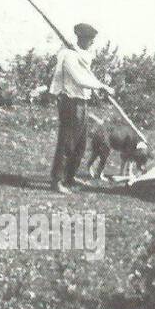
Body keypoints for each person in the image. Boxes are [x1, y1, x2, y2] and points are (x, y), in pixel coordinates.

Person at [49, 22, 113, 194]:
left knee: (81, 144)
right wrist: (100, 86)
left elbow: (86, 78)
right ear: (82, 38)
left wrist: (97, 90)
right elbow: (79, 79)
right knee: (68, 142)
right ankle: (57, 180)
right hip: (69, 102)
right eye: (91, 39)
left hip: (81, 101)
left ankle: (69, 177)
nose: (92, 42)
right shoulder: (68, 56)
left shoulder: (82, 55)